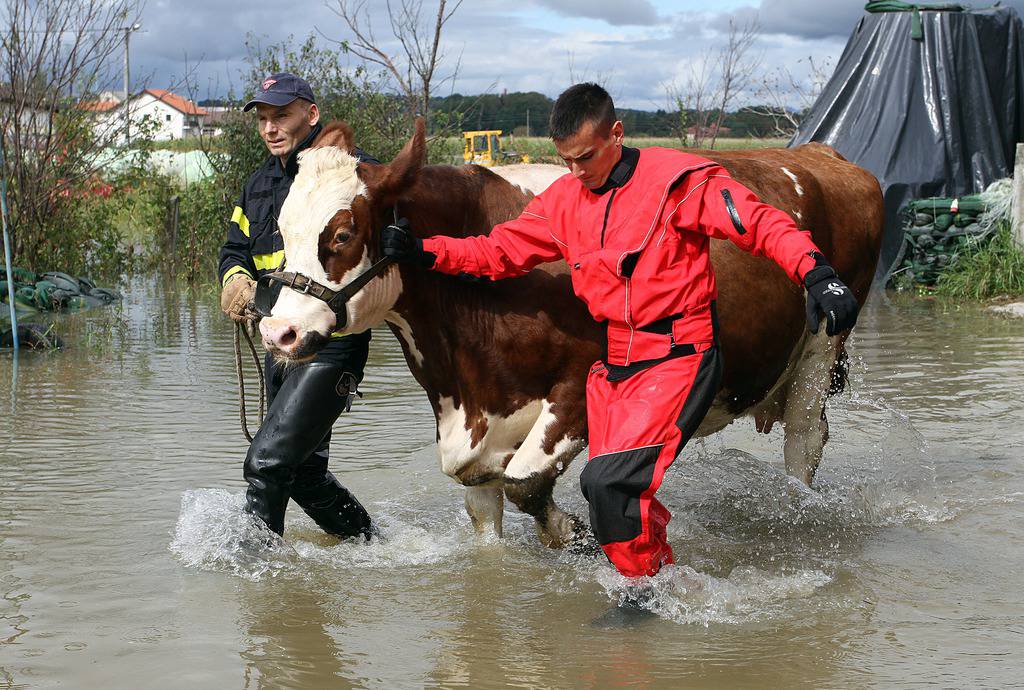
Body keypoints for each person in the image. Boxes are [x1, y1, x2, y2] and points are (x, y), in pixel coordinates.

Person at [381, 83, 859, 579]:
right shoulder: (564, 199)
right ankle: (665, 585)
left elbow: (761, 224)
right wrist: (426, 251)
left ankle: (643, 599)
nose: (575, 172)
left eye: (585, 157)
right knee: (605, 491)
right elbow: (498, 252)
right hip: (614, 365)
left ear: (616, 133)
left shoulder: (678, 183)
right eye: (565, 160)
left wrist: (817, 273)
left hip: (679, 354)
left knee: (612, 485)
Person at [218, 72, 379, 541]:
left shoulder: (353, 174)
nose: (270, 128)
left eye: (281, 116)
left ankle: (259, 580)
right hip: (277, 338)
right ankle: (370, 545)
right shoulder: (258, 184)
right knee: (302, 471)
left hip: (331, 343)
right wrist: (235, 281)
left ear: (311, 115)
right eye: (263, 119)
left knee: (266, 463)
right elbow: (234, 249)